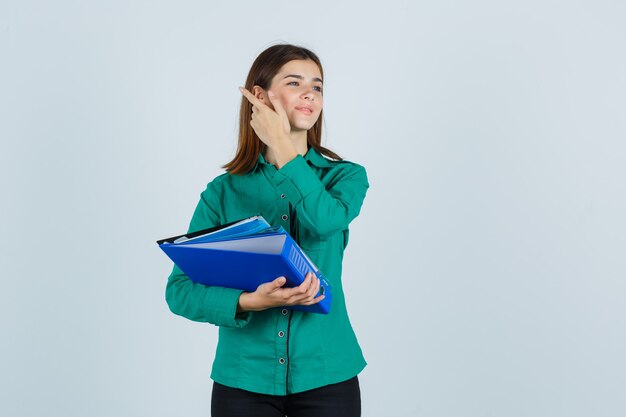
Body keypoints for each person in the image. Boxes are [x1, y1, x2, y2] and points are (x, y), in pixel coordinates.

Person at [165, 43, 370, 417]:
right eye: (295, 82)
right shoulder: (223, 191)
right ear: (259, 96)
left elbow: (325, 221)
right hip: (243, 380)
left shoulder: (346, 177)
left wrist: (281, 143)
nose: (310, 93)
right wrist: (247, 302)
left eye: (318, 86)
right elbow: (179, 291)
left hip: (328, 375)